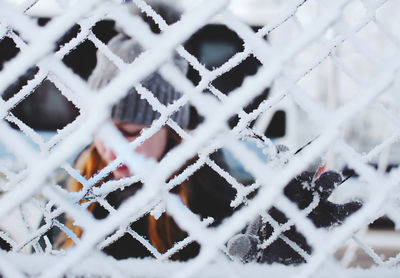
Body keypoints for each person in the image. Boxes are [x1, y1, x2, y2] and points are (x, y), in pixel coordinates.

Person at [54, 0, 362, 264]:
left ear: (172, 128)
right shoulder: (73, 186)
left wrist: (270, 257)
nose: (113, 148)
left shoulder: (213, 193)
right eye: (101, 131)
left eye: (133, 131)